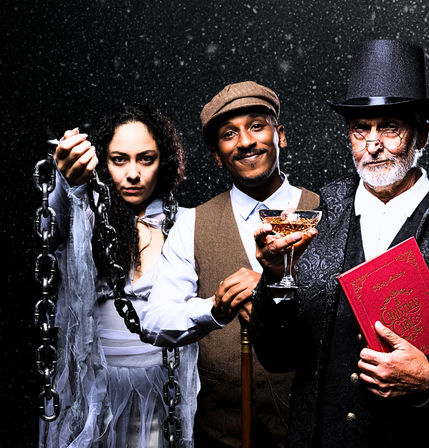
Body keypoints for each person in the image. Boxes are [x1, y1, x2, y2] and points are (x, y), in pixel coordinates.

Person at [246, 40, 429, 448]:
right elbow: (276, 356)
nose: (373, 145)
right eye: (361, 130)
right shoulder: (314, 219)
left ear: (422, 134)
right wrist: (274, 277)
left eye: (390, 127)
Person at [140, 81, 320, 447]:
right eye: (228, 134)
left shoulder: (327, 211)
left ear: (280, 135)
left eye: (257, 125)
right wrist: (214, 309)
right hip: (220, 437)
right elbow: (155, 323)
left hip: (309, 432)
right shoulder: (191, 223)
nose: (246, 142)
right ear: (217, 155)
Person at [39, 104, 199, 448]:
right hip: (96, 388)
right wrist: (68, 182)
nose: (133, 174)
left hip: (162, 387)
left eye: (146, 159)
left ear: (164, 161)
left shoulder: (184, 223)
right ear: (102, 162)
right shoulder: (85, 218)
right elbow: (49, 226)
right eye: (119, 159)